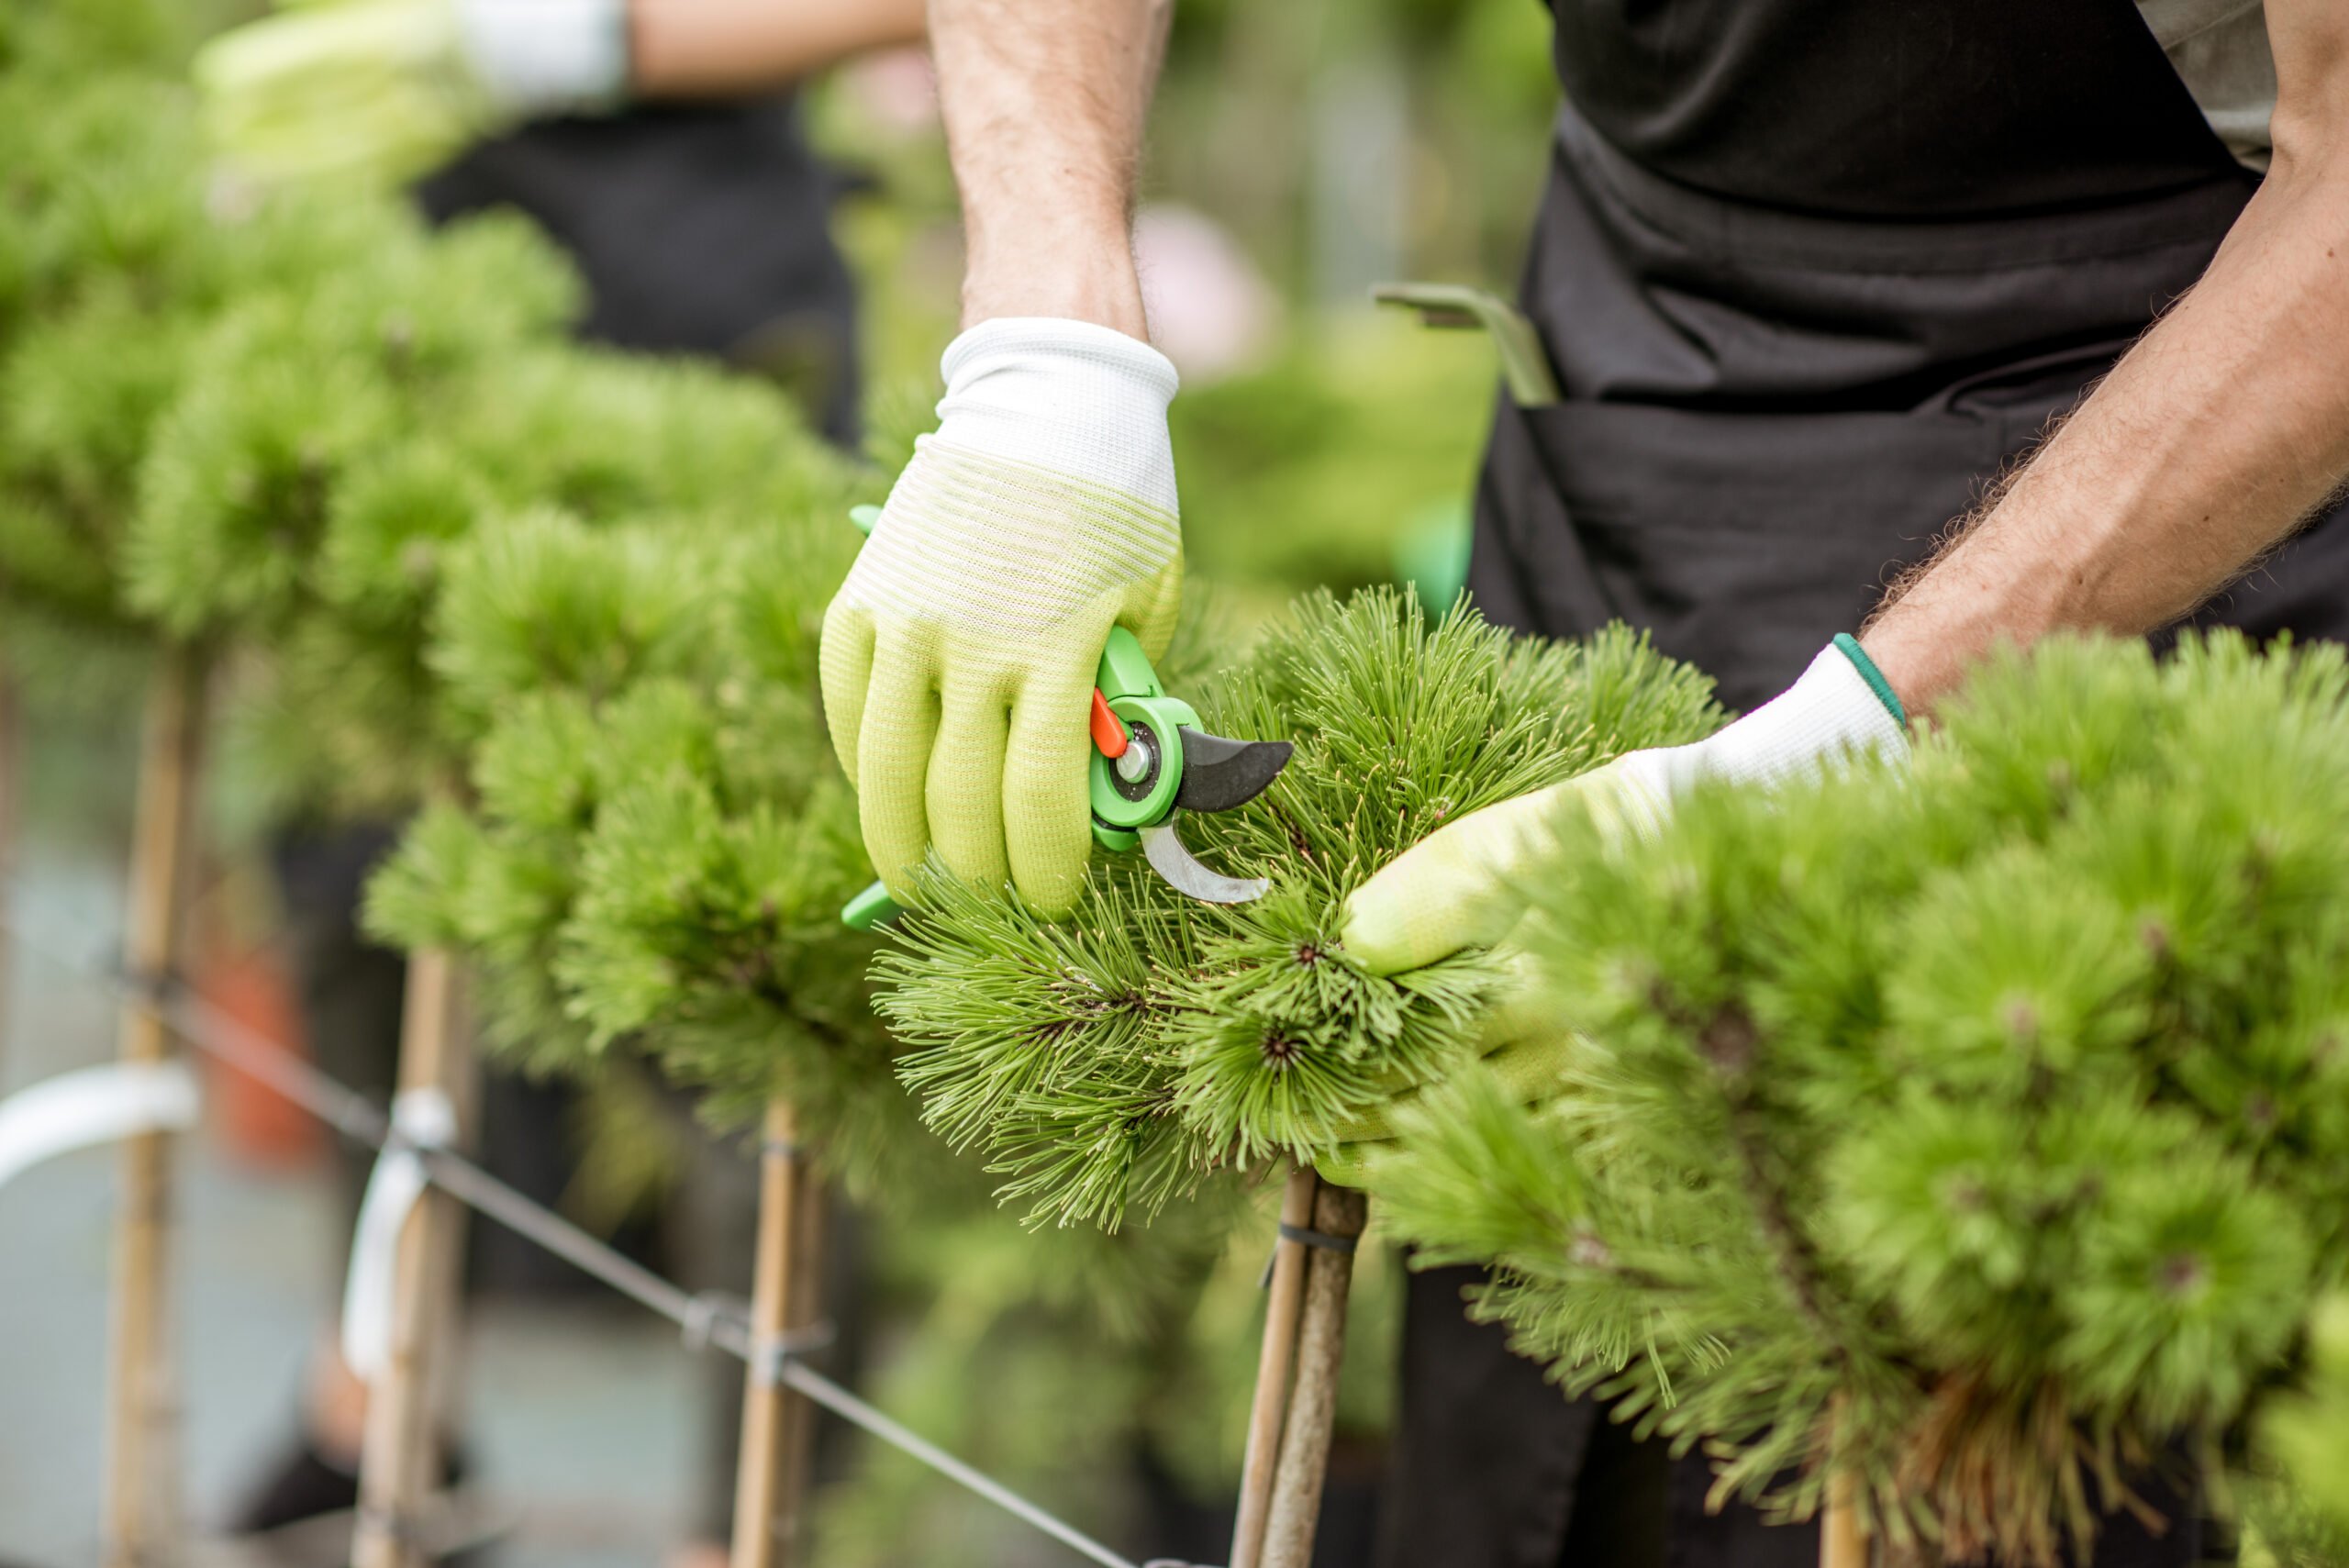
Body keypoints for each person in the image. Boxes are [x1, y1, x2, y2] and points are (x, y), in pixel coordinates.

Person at [816, 2, 2349, 1563]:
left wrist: (1859, 732)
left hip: (2150, 480)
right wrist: (1047, 347)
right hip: (1611, 394)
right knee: (1522, 1387)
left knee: (1981, 1432)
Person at [195, 2, 922, 1561]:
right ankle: (385, 1398)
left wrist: (604, 38)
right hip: (422, 310)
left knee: (734, 962)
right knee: (355, 885)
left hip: (701, 331)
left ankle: (760, 1520)